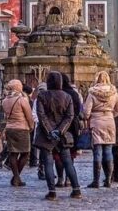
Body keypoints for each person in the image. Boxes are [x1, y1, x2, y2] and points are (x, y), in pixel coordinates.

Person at [34, 71, 81, 201]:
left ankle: (52, 192)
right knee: (67, 162)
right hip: (62, 134)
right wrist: (60, 131)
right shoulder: (67, 96)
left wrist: (50, 131)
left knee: (48, 163)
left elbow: (41, 116)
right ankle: (76, 189)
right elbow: (69, 117)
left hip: (46, 134)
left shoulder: (42, 96)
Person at [83, 70, 118, 189]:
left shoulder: (92, 92)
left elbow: (86, 112)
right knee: (108, 151)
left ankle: (96, 181)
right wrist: (110, 114)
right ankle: (109, 180)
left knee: (98, 151)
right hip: (110, 121)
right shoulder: (114, 92)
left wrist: (90, 117)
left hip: (96, 121)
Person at [1, 79, 34, 187]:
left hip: (10, 128)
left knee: (13, 153)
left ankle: (16, 177)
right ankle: (16, 177)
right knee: (25, 153)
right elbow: (29, 115)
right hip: (22, 128)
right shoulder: (22, 99)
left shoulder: (5, 100)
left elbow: (6, 116)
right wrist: (31, 126)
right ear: (18, 87)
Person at [56, 73, 83, 188]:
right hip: (71, 126)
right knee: (70, 153)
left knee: (57, 154)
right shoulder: (74, 94)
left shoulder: (55, 94)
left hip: (57, 126)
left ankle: (60, 178)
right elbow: (78, 110)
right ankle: (68, 178)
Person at [32, 82, 48, 180]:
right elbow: (34, 114)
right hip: (41, 127)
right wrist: (40, 122)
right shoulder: (36, 100)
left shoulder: (50, 99)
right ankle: (41, 170)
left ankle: (48, 170)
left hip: (49, 127)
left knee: (48, 151)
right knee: (42, 151)